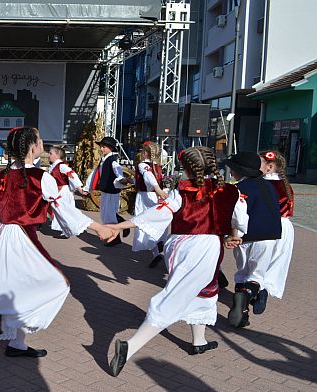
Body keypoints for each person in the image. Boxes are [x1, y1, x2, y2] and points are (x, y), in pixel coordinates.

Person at [0, 127, 114, 358]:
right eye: (39, 139)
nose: (42, 142)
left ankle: (16, 341)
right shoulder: (42, 178)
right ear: (33, 147)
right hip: (23, 237)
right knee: (58, 281)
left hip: (2, 236)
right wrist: (98, 227)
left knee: (15, 283)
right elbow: (63, 209)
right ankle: (3, 313)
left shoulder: (3, 175)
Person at [106, 147, 248, 377]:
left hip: (182, 245)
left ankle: (199, 341)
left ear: (187, 169)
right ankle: (130, 346)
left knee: (205, 290)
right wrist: (233, 235)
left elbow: (158, 213)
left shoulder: (181, 192)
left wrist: (121, 225)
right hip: (205, 248)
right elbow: (239, 219)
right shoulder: (230, 191)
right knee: (175, 297)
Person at [226, 152, 282, 328]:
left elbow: (236, 216)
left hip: (243, 237)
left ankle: (243, 313)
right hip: (268, 236)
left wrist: (232, 235)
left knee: (242, 273)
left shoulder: (237, 189)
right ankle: (245, 298)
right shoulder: (269, 186)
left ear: (238, 171)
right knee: (256, 276)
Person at [257, 150, 295, 309]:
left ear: (269, 166)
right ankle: (265, 288)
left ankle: (254, 286)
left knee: (258, 258)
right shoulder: (286, 185)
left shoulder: (261, 184)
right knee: (277, 261)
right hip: (285, 226)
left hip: (265, 224)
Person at [83, 137, 131, 246]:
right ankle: (119, 230)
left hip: (112, 192)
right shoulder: (103, 160)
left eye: (104, 147)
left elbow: (118, 172)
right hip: (106, 191)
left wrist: (121, 179)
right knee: (105, 214)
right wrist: (87, 188)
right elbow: (95, 174)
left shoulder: (112, 161)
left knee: (109, 215)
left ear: (110, 148)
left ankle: (115, 237)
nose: (101, 149)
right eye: (101, 146)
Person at [132, 142, 168, 267]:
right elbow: (146, 179)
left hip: (144, 197)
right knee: (154, 221)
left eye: (142, 150)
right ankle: (158, 245)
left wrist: (158, 189)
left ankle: (155, 250)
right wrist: (131, 180)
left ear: (145, 153)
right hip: (154, 196)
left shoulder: (143, 165)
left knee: (143, 222)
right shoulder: (156, 166)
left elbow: (148, 177)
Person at [47, 146, 85, 233]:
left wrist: (79, 188)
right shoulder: (53, 166)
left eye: (50, 153)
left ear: (57, 156)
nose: (48, 155)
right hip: (57, 192)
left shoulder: (62, 166)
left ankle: (69, 229)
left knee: (65, 211)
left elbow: (72, 174)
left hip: (63, 192)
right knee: (60, 210)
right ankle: (64, 229)